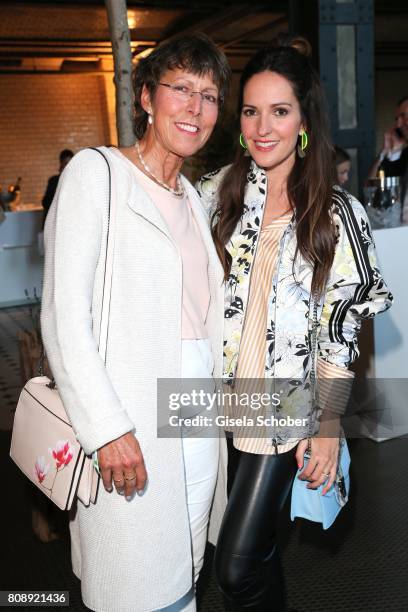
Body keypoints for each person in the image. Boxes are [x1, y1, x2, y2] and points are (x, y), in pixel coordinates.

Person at [196, 38, 392, 611]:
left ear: (304, 121)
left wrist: (328, 422)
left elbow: (341, 334)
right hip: (217, 404)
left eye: (280, 111)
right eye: (251, 111)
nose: (262, 127)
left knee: (233, 567)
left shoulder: (336, 213)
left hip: (286, 408)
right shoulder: (215, 196)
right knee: (255, 556)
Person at [41, 33, 231, 612]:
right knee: (136, 585)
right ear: (147, 97)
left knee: (188, 569)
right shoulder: (96, 175)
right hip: (131, 420)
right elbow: (63, 317)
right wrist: (106, 427)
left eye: (210, 95)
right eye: (181, 89)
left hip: (197, 408)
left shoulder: (193, 199)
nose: (195, 108)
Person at [367, 96, 408, 204]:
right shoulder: (402, 156)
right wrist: (386, 152)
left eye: (404, 116)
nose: (398, 124)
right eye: (397, 119)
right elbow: (371, 188)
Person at [41, 149, 74, 226]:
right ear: (61, 164)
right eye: (66, 163)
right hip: (55, 223)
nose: (68, 167)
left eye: (70, 163)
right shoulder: (54, 181)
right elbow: (45, 203)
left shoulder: (75, 181)